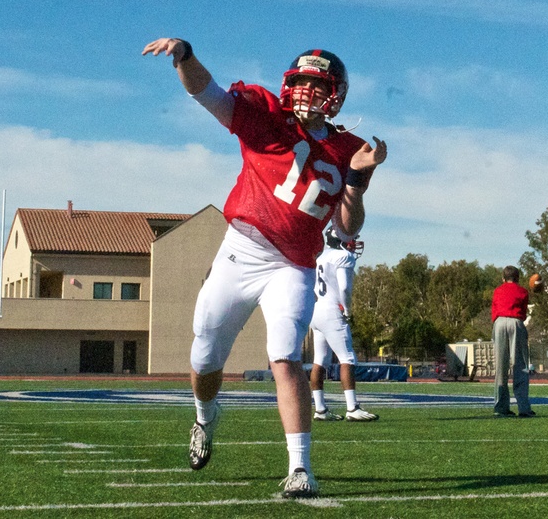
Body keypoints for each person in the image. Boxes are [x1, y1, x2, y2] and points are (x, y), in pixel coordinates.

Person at [143, 38, 387, 498]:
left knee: (284, 356)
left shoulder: (349, 149)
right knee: (205, 354)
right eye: (301, 83)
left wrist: (356, 180)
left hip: (293, 264)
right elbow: (208, 93)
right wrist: (186, 55)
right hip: (242, 249)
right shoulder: (266, 115)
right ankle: (205, 415)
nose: (306, 93)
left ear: (335, 94)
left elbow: (348, 223)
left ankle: (300, 467)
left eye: (317, 85)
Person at [309, 228, 378, 422]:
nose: (353, 242)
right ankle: (352, 407)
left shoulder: (321, 257)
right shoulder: (343, 256)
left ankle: (320, 409)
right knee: (347, 357)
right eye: (351, 238)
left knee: (319, 360)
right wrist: (347, 309)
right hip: (332, 311)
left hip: (316, 310)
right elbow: (345, 288)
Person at [491, 265, 534, 417]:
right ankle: (523, 407)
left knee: (501, 367)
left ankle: (501, 407)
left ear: (503, 278)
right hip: (516, 322)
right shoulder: (523, 291)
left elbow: (494, 310)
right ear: (517, 278)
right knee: (520, 365)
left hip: (499, 322)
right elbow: (523, 312)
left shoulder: (497, 291)